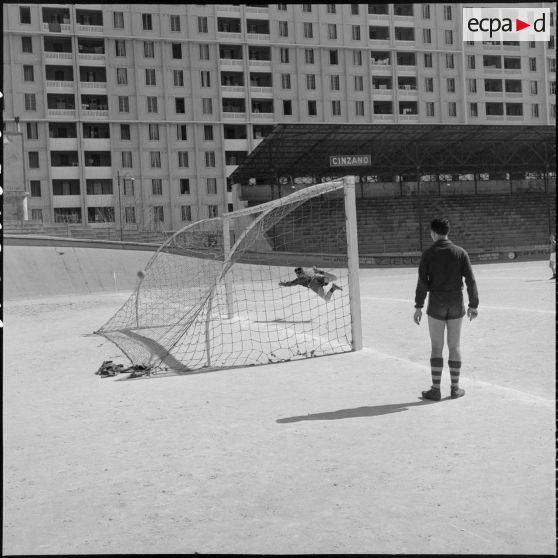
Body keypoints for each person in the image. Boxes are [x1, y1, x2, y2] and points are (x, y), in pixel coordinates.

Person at [413, 218, 479, 401]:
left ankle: (435, 389)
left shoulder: (428, 254)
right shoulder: (460, 252)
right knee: (455, 346)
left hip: (436, 303)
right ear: (447, 232)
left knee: (436, 346)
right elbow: (470, 280)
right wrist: (473, 305)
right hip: (456, 302)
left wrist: (418, 306)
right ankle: (455, 388)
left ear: (433, 233)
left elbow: (422, 284)